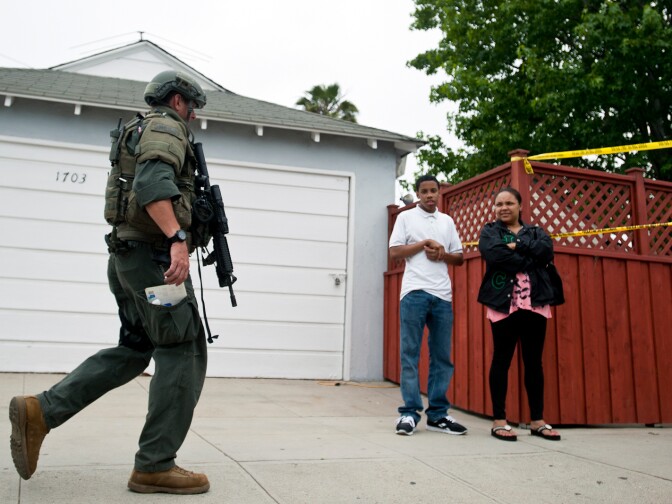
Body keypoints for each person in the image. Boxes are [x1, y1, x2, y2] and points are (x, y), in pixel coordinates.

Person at [9, 70, 212, 494]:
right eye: (192, 106)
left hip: (128, 258)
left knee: (136, 348)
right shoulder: (165, 127)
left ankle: (40, 412)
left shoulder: (138, 128)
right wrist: (178, 239)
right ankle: (155, 464)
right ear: (178, 101)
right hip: (155, 263)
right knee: (182, 349)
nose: (193, 115)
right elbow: (152, 183)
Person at [477, 186, 563, 442]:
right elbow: (493, 254)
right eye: (499, 204)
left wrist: (516, 245)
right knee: (501, 360)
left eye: (509, 203)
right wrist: (529, 257)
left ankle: (537, 420)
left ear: (519, 206)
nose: (503, 208)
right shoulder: (490, 231)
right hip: (504, 305)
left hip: (535, 304)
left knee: (534, 362)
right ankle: (499, 421)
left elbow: (546, 252)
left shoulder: (536, 232)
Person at [389, 174, 467, 436]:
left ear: (439, 192)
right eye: (425, 191)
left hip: (442, 295)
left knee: (442, 356)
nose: (430, 195)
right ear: (418, 193)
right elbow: (395, 251)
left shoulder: (447, 221)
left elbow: (459, 258)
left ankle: (438, 414)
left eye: (434, 191)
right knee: (410, 353)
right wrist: (422, 245)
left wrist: (442, 254)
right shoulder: (405, 218)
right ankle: (410, 413)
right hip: (413, 293)